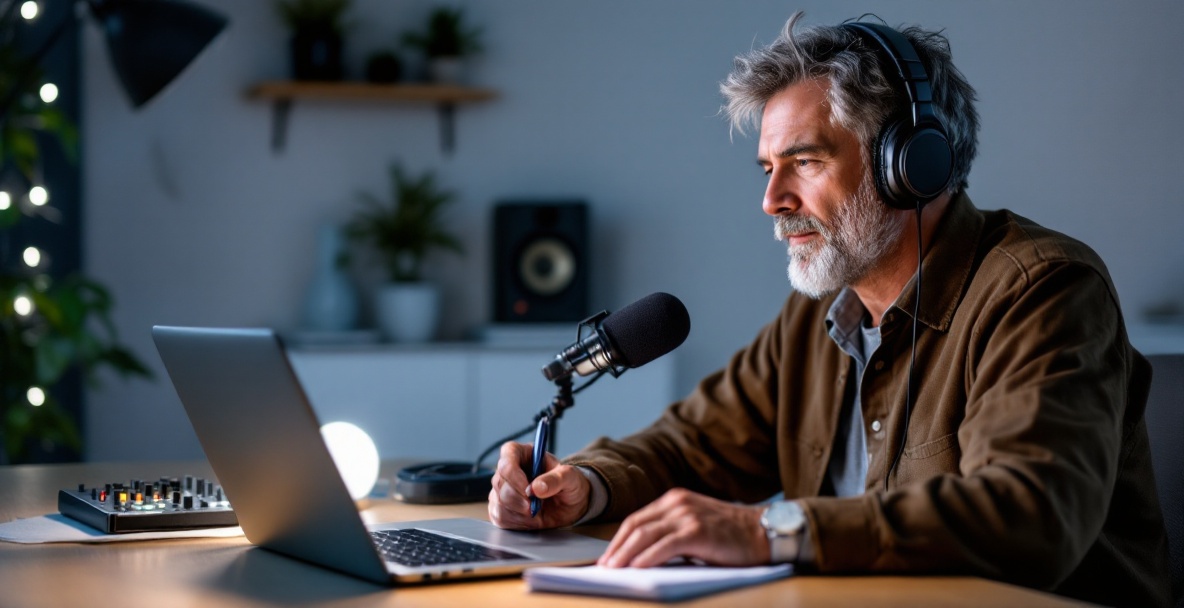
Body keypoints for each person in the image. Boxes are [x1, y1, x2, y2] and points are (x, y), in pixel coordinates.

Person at [488, 12, 1171, 608]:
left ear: (911, 163)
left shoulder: (1041, 290)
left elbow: (1030, 516)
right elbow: (693, 443)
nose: (772, 200)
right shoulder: (817, 317)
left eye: (805, 161)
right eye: (766, 169)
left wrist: (769, 531)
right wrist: (585, 484)